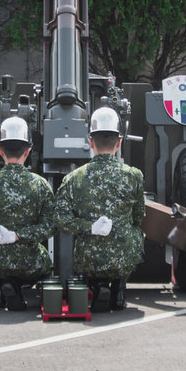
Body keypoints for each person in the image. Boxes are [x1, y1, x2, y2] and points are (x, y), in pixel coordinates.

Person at [53, 107, 145, 312]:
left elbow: (60, 219)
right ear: (119, 142)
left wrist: (89, 227)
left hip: (89, 259)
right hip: (123, 257)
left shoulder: (74, 178)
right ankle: (118, 286)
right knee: (137, 232)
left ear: (90, 142)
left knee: (87, 248)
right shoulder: (133, 175)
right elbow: (139, 217)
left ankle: (97, 285)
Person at [0, 116, 55, 311]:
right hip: (30, 263)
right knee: (46, 265)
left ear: (0, 150)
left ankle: (2, 285)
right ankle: (17, 286)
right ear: (28, 151)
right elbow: (49, 227)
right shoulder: (41, 185)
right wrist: (18, 236)